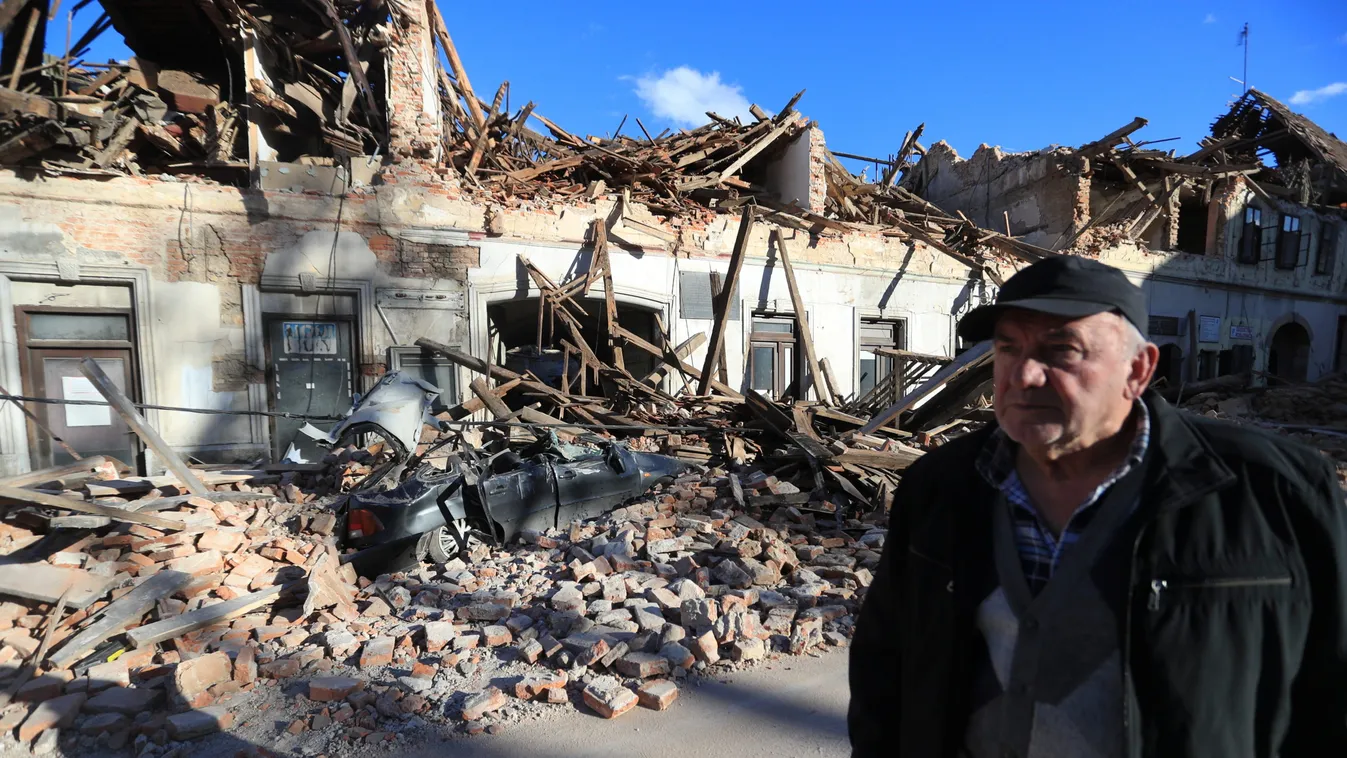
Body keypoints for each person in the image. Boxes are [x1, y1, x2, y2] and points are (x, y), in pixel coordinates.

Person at [847, 255, 1347, 758]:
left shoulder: (1275, 494)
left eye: (1060, 349)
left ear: (1139, 369)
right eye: (1007, 347)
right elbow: (883, 669)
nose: (1023, 374)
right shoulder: (940, 487)